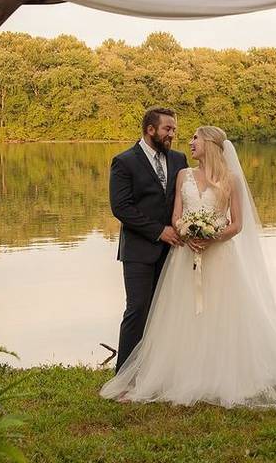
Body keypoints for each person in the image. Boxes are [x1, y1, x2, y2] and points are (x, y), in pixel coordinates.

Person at [101, 125, 276, 407]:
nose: (189, 141)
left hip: (220, 256)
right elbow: (176, 216)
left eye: (195, 138)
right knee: (182, 315)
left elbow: (237, 224)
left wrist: (211, 237)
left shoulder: (230, 179)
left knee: (220, 314)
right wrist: (187, 233)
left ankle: (221, 372)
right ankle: (181, 372)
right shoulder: (183, 175)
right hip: (185, 258)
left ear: (210, 143)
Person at [108, 106, 188, 372]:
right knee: (137, 310)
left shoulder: (179, 160)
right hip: (139, 251)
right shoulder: (124, 161)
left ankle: (159, 372)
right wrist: (158, 230)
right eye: (167, 129)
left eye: (174, 129)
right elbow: (121, 207)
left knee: (167, 311)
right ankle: (124, 375)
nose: (172, 134)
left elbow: (186, 199)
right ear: (150, 129)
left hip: (174, 251)